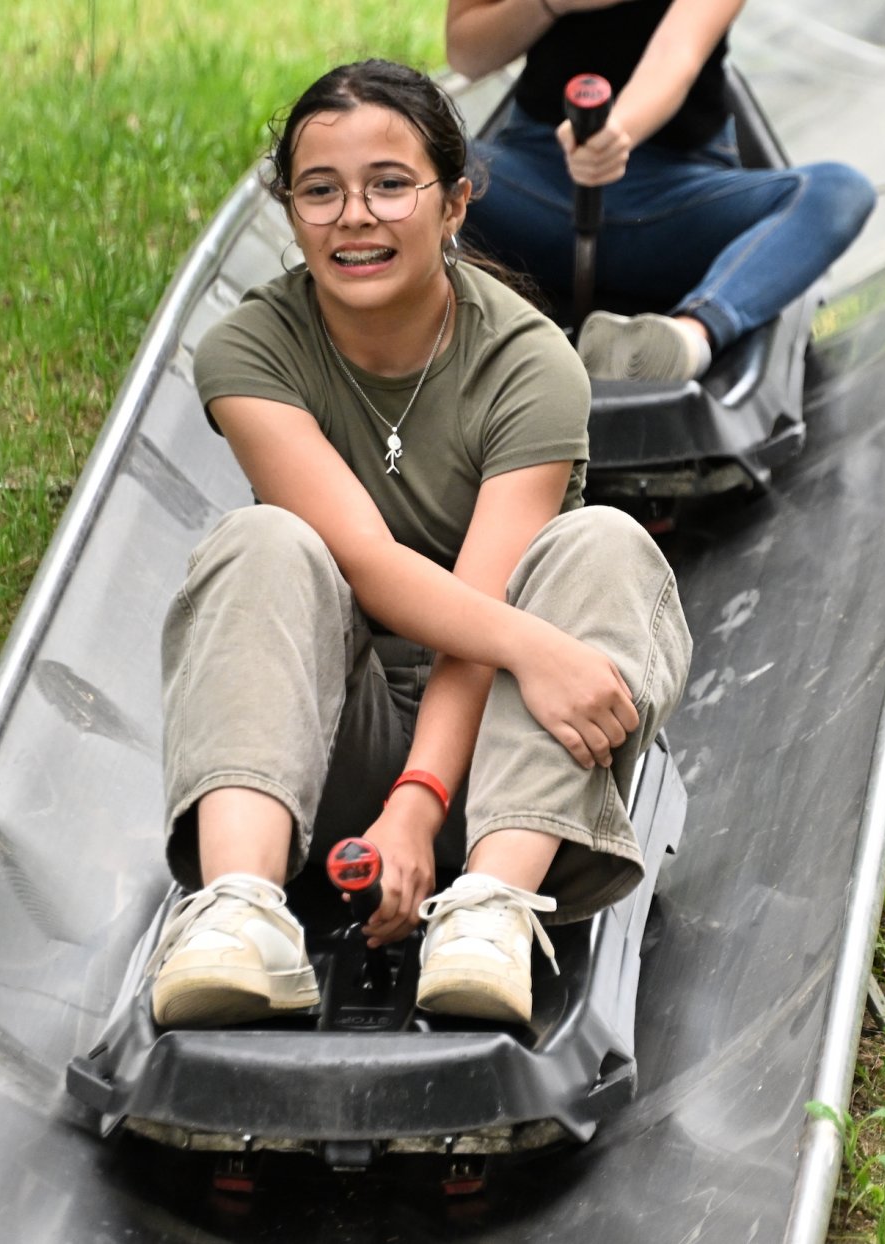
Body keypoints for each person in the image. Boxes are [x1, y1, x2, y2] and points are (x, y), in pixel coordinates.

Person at [145, 60, 692, 1030]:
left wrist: (426, 799)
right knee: (262, 539)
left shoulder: (531, 364)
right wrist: (530, 657)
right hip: (327, 751)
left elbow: (480, 613)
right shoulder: (250, 349)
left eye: (390, 184)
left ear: (453, 204)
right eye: (320, 190)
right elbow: (364, 562)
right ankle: (239, 907)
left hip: (511, 759)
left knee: (601, 541)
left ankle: (487, 909)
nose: (354, 215)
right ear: (290, 209)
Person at [448, 0, 877, 383]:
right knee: (420, 150)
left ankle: (688, 336)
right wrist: (550, 5)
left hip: (677, 204)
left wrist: (617, 132)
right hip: (534, 190)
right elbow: (465, 52)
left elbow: (676, 58)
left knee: (839, 190)